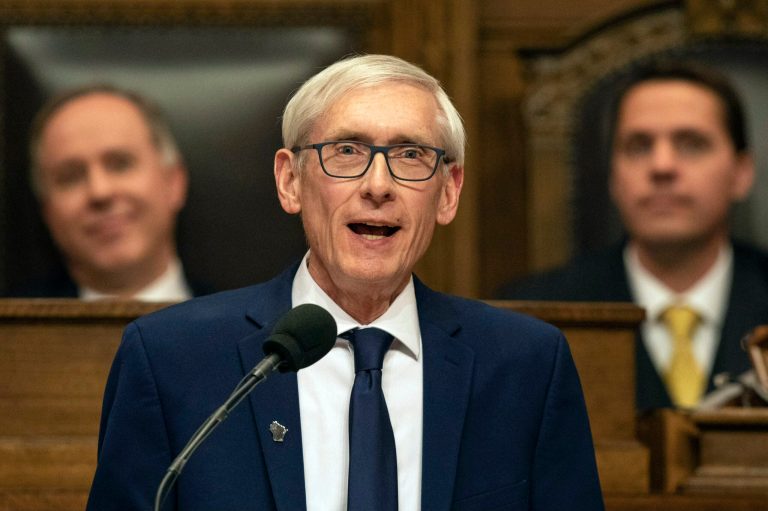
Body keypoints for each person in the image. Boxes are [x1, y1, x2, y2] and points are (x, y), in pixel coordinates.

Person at [86, 55, 604, 510]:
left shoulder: (526, 366)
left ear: (448, 192)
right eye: (348, 151)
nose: (378, 186)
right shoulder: (170, 359)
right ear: (290, 181)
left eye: (410, 155)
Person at [498, 62, 768, 411]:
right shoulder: (532, 317)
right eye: (639, 146)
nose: (662, 166)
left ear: (741, 173)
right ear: (613, 174)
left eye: (691, 144)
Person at [16, 85, 208, 300]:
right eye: (71, 176)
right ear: (47, 211)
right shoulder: (8, 330)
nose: (100, 192)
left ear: (174, 182)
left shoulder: (242, 325)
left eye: (120, 164)